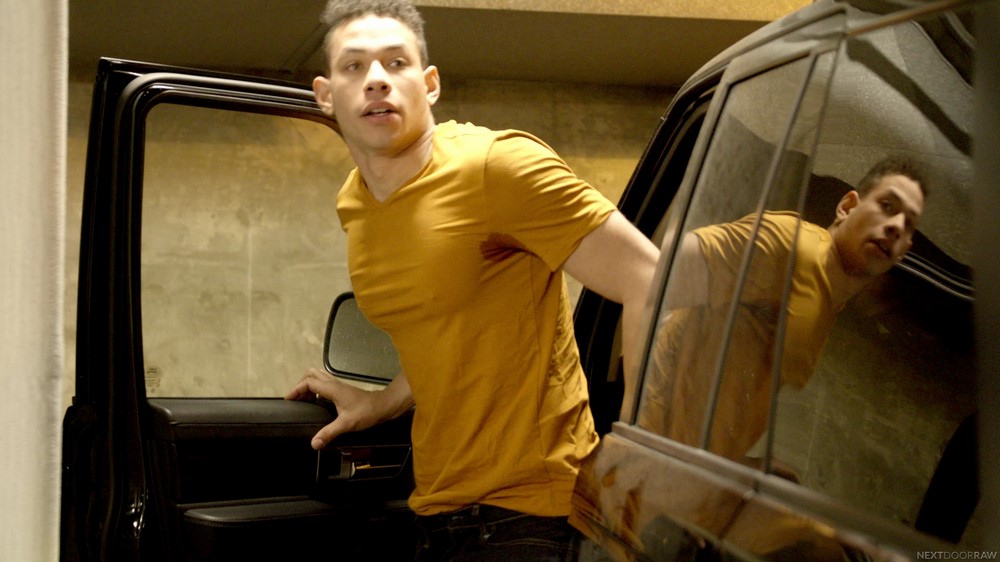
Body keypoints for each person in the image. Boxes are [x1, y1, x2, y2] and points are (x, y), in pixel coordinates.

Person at [283, 1, 660, 560]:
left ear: (430, 84)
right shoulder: (354, 203)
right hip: (438, 513)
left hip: (535, 515)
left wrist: (645, 454)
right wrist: (383, 403)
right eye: (354, 66)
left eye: (396, 63)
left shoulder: (497, 167)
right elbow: (445, 330)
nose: (377, 79)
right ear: (325, 95)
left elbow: (649, 279)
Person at [637, 156, 926, 465]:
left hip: (687, 470)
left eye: (908, 224)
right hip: (649, 461)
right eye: (887, 206)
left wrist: (743, 466)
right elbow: (653, 274)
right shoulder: (788, 244)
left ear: (904, 252)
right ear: (847, 206)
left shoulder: (831, 295)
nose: (896, 226)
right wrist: (638, 424)